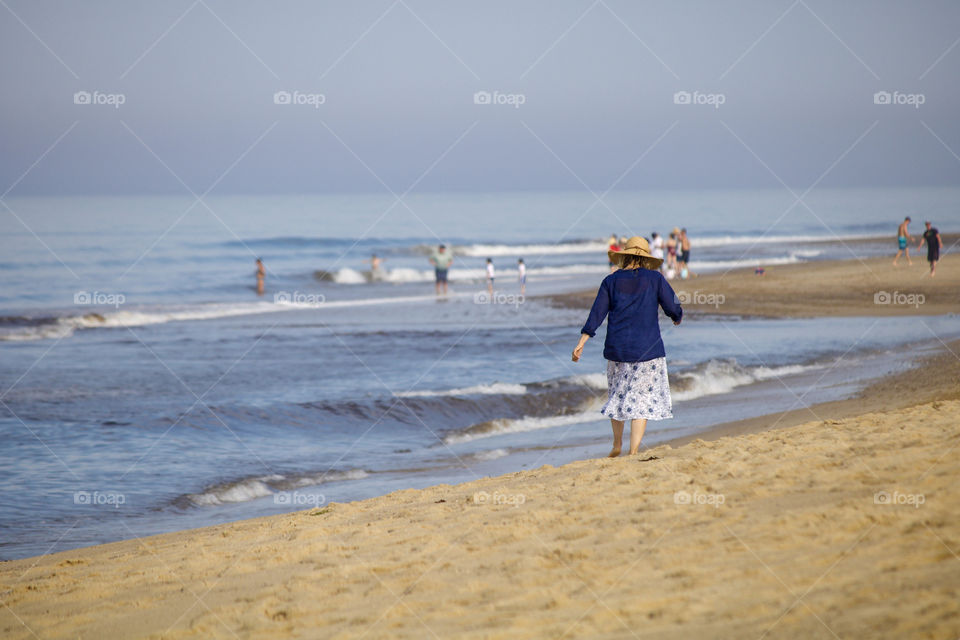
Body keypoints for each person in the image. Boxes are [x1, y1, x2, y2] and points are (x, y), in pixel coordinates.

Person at [572, 236, 682, 458]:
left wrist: (581, 342)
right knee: (641, 401)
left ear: (625, 257)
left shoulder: (610, 281)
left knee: (618, 396)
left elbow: (597, 314)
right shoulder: (655, 279)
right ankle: (633, 451)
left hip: (618, 350)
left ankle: (616, 444)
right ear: (645, 258)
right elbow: (672, 305)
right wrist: (676, 316)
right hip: (648, 350)